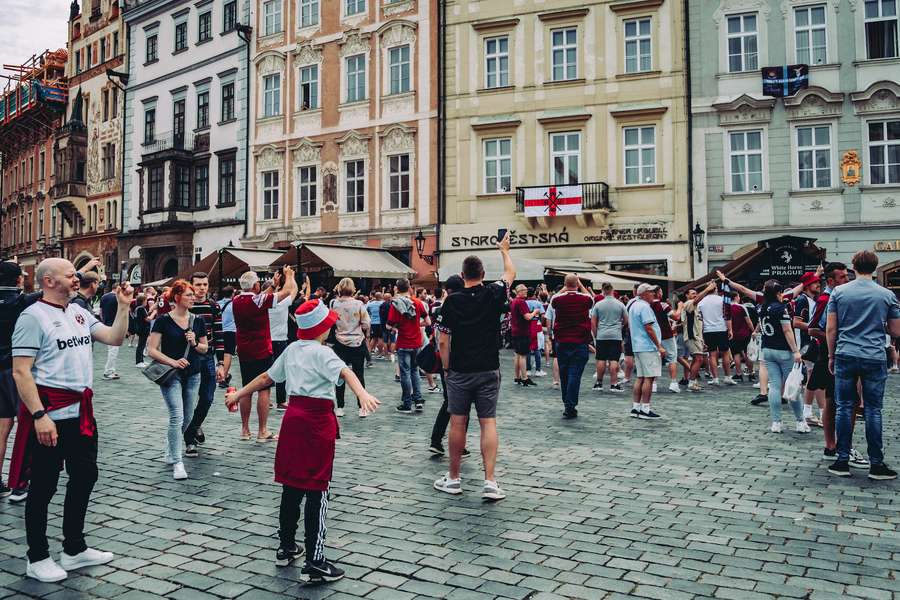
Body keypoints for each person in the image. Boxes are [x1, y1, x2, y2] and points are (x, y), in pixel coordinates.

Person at [225, 299, 380, 582]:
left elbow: (265, 377)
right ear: (323, 329)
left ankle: (285, 547)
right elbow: (347, 372)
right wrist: (362, 395)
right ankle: (315, 559)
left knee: (291, 484)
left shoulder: (293, 349)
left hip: (293, 419)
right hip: (317, 421)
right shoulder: (324, 353)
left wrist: (238, 394)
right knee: (317, 489)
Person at [11, 258, 132, 582]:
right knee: (44, 486)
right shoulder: (32, 317)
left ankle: (74, 548)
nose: (76, 278)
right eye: (69, 274)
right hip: (51, 413)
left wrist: (123, 307)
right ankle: (36, 557)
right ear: (49, 281)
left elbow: (114, 338)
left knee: (85, 476)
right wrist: (39, 415)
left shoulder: (79, 312)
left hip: (81, 414)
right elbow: (21, 371)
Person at [433, 233, 514, 500]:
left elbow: (443, 340)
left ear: (462, 275)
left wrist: (446, 368)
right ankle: (490, 481)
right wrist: (504, 250)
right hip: (489, 367)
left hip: (460, 370)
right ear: (483, 273)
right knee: (488, 422)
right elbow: (510, 272)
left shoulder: (452, 301)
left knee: (458, 423)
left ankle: (454, 478)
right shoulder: (493, 292)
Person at [826, 250, 900, 479]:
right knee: (873, 409)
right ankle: (876, 464)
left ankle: (842, 460)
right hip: (874, 355)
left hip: (846, 353)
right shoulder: (886, 295)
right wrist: (878, 325)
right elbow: (896, 330)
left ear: (854, 266)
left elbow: (831, 329)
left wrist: (831, 355)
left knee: (844, 406)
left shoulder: (839, 292)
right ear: (875, 266)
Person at [146, 280, 209, 479]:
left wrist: (194, 342)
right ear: (177, 297)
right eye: (189, 295)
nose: (193, 298)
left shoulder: (197, 320)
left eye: (193, 295)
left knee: (187, 417)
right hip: (171, 375)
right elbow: (151, 350)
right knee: (177, 415)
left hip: (193, 374)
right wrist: (173, 362)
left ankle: (170, 448)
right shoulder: (163, 320)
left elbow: (204, 348)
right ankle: (177, 461)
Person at [808, 262, 868, 468]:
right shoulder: (828, 298)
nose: (847, 280)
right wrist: (835, 340)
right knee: (844, 403)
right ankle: (841, 446)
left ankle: (832, 446)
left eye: (847, 276)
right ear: (831, 280)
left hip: (832, 355)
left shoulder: (837, 296)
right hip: (833, 356)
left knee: (833, 402)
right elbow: (813, 328)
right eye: (842, 277)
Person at [232, 268, 297, 442]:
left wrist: (272, 286)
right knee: (263, 389)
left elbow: (258, 299)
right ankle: (262, 431)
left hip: (244, 350)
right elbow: (288, 291)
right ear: (255, 285)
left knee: (246, 389)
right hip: (261, 348)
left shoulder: (236, 300)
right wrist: (289, 276)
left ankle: (245, 430)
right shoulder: (259, 300)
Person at [0, 261, 43, 500]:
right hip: (16, 369)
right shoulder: (22, 301)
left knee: (2, 429)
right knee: (26, 426)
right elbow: (53, 284)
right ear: (18, 280)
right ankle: (20, 482)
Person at [182, 273, 227, 457]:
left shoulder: (213, 306)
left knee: (207, 397)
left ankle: (195, 424)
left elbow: (219, 334)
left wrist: (221, 363)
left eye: (205, 284)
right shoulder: (186, 305)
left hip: (207, 356)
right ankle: (190, 440)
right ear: (191, 286)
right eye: (198, 284)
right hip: (188, 358)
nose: (202, 288)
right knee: (188, 399)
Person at [428, 276, 470, 458]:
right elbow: (446, 340)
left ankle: (437, 441)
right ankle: (457, 443)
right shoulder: (458, 307)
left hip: (443, 359)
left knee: (449, 402)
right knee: (461, 405)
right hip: (455, 362)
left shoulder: (439, 309)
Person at [757, 280, 807, 434]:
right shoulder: (781, 308)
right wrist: (796, 351)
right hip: (784, 351)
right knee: (793, 386)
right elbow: (787, 331)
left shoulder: (761, 308)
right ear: (779, 293)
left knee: (774, 386)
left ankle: (776, 422)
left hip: (767, 349)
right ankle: (800, 421)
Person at [550, 275, 594, 419]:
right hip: (580, 341)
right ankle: (570, 404)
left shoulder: (557, 299)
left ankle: (567, 403)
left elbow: (555, 297)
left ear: (564, 284)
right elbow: (590, 297)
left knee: (564, 373)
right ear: (577, 284)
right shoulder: (585, 299)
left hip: (562, 341)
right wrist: (580, 284)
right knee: (575, 373)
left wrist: (565, 287)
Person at [330, 278, 370, 418]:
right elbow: (366, 324)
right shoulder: (359, 304)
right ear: (353, 288)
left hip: (340, 343)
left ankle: (340, 407)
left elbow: (331, 321)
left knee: (340, 376)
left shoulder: (334, 304)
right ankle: (362, 407)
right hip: (357, 342)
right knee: (359, 376)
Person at [387, 279, 429, 413]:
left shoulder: (396, 304)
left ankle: (406, 403)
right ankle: (418, 400)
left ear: (397, 289)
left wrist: (397, 328)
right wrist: (417, 325)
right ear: (409, 287)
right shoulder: (417, 302)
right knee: (415, 371)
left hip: (403, 342)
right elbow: (427, 322)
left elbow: (389, 325)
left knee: (405, 373)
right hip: (416, 341)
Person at [628, 283, 664, 419]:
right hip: (647, 346)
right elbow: (648, 327)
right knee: (649, 378)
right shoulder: (644, 307)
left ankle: (636, 407)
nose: (653, 294)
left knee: (640, 378)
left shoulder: (634, 305)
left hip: (638, 345)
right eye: (650, 292)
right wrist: (659, 345)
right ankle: (645, 408)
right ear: (643, 294)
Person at [793, 272, 824, 427]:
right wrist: (816, 329)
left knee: (814, 379)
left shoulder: (811, 300)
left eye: (818, 281)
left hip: (810, 343)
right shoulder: (802, 300)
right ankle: (820, 414)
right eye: (815, 282)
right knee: (817, 379)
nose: (818, 284)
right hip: (807, 344)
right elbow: (796, 322)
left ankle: (809, 412)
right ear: (807, 286)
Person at [268, 270, 300, 411]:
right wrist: (290, 276)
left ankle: (266, 399)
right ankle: (281, 401)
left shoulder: (259, 305)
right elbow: (293, 290)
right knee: (281, 371)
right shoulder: (281, 304)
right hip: (280, 340)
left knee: (267, 370)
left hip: (266, 340)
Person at [591, 282, 627, 393]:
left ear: (603, 291)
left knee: (601, 359)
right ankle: (614, 384)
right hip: (615, 335)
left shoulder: (598, 304)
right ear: (612, 290)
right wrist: (620, 327)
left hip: (602, 335)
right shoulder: (620, 304)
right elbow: (626, 320)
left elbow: (593, 322)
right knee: (614, 360)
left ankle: (598, 383)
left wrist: (597, 334)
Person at [697, 284, 736, 386]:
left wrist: (701, 334)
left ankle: (715, 378)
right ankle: (727, 377)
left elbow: (700, 319)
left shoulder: (701, 302)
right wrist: (730, 329)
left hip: (708, 330)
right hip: (721, 329)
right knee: (725, 353)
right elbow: (727, 315)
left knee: (712, 355)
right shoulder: (722, 300)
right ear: (715, 289)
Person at [651, 286, 680, 394]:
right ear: (658, 293)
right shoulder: (663, 305)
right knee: (672, 358)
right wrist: (680, 307)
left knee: (656, 359)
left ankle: (653, 384)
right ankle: (673, 383)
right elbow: (676, 317)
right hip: (666, 335)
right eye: (661, 292)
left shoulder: (647, 305)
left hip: (653, 336)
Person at [509, 284, 539, 386]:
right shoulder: (521, 302)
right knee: (522, 355)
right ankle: (524, 377)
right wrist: (535, 311)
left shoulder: (514, 301)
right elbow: (527, 317)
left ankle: (517, 377)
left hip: (515, 330)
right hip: (522, 331)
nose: (526, 292)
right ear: (520, 291)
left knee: (517, 354)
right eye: (525, 291)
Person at [728, 291, 755, 384]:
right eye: (738, 296)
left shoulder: (727, 308)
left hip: (733, 334)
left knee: (736, 354)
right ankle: (751, 373)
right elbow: (748, 321)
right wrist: (753, 331)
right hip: (745, 334)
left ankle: (739, 374)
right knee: (748, 354)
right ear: (736, 297)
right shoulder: (741, 307)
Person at [99, 286, 121, 380]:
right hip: (114, 325)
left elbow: (100, 312)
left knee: (111, 350)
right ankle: (108, 371)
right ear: (117, 288)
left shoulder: (104, 296)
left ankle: (111, 370)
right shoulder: (117, 297)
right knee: (113, 350)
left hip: (106, 323)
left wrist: (104, 321)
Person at [217, 286, 236, 389]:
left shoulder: (218, 304)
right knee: (228, 354)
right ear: (232, 294)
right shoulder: (234, 305)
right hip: (230, 331)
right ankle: (223, 378)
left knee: (220, 354)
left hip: (219, 331)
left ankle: (222, 375)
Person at [133, 294, 152, 368]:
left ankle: (141, 360)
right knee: (141, 345)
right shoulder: (141, 308)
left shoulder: (138, 308)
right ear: (143, 301)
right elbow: (147, 319)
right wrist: (154, 313)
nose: (146, 302)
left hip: (141, 329)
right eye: (145, 300)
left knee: (142, 345)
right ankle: (139, 362)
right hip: (143, 329)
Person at [365, 292, 385, 360]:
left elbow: (366, 311)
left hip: (373, 322)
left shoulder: (370, 304)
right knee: (380, 338)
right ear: (381, 296)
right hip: (381, 323)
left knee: (374, 338)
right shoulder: (383, 303)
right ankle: (380, 353)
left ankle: (368, 353)